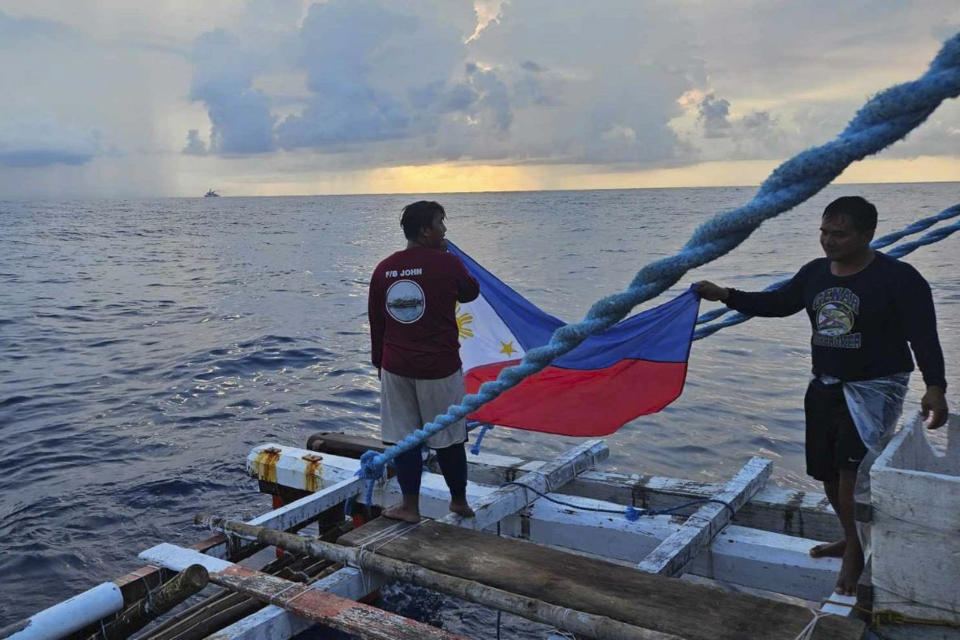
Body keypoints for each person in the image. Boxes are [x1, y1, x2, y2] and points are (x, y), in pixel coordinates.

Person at [694, 195, 949, 596]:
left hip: (874, 390)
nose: (828, 241)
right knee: (828, 474)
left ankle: (856, 555)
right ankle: (851, 536)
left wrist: (935, 386)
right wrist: (726, 294)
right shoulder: (814, 273)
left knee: (851, 475)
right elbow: (778, 304)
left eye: (840, 234)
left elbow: (924, 336)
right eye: (824, 232)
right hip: (824, 386)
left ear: (868, 234)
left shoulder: (900, 278)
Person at [368, 200, 480, 522]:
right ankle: (458, 501)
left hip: (395, 367)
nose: (445, 230)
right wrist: (449, 259)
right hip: (439, 369)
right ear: (425, 230)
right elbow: (471, 292)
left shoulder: (383, 269)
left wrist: (380, 364)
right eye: (441, 224)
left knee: (404, 439)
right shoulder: (447, 264)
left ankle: (410, 507)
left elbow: (378, 322)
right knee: (449, 438)